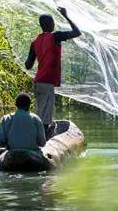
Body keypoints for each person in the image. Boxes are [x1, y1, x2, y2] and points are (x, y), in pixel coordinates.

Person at [25, 7, 81, 139]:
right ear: (50, 25)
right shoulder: (56, 36)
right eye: (53, 22)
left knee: (40, 112)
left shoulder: (35, 42)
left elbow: (28, 65)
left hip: (38, 82)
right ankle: (41, 143)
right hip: (47, 82)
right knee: (45, 117)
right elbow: (77, 32)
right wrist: (66, 16)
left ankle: (36, 138)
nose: (54, 24)